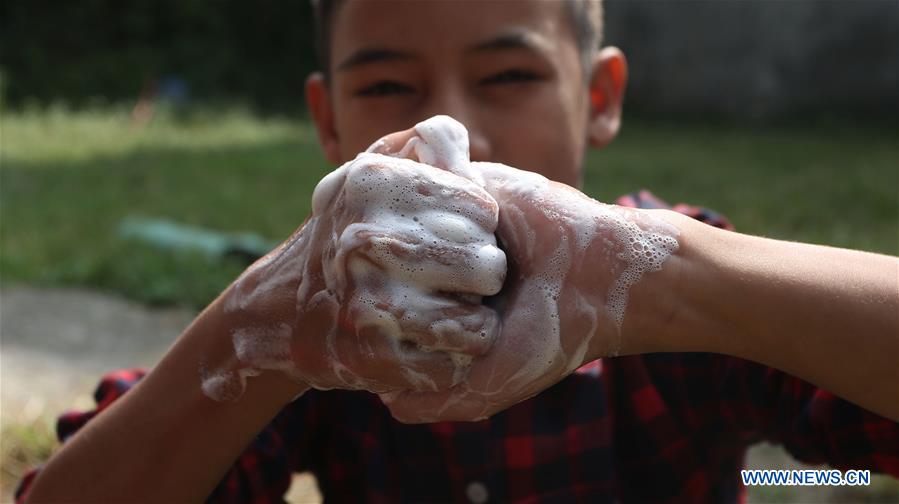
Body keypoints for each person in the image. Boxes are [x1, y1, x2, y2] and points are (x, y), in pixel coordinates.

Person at [18, 0, 899, 502]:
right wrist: (253, 336)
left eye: (508, 76)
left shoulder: (680, 288)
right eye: (389, 85)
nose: (456, 133)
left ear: (597, 95)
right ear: (328, 123)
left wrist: (663, 278)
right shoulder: (334, 332)